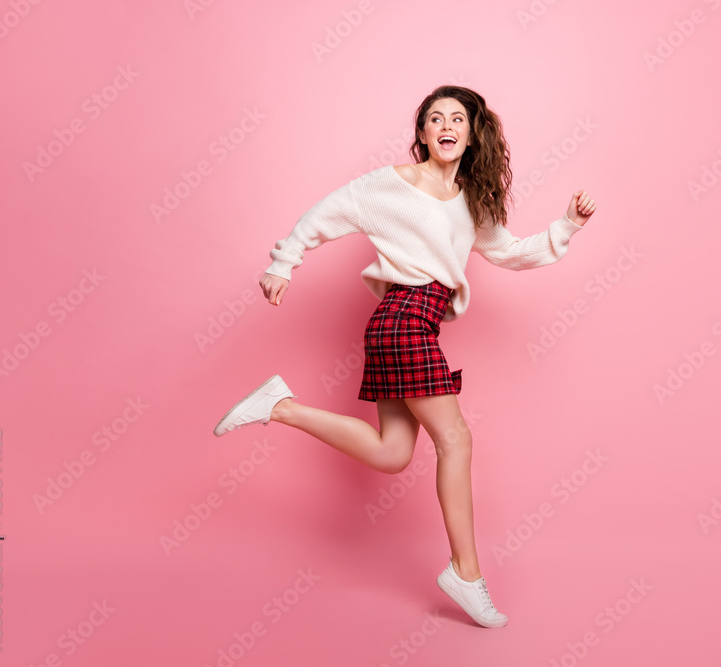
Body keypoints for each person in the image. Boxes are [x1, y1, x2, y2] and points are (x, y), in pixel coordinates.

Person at [213, 85, 596, 628]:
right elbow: (329, 211)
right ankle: (466, 571)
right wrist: (283, 263)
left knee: (392, 452)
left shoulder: (472, 198)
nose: (446, 125)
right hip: (402, 319)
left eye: (457, 118)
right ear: (422, 133)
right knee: (456, 438)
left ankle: (281, 407)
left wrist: (567, 227)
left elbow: (508, 252)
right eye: (434, 118)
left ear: (471, 132)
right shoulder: (394, 184)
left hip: (412, 321)